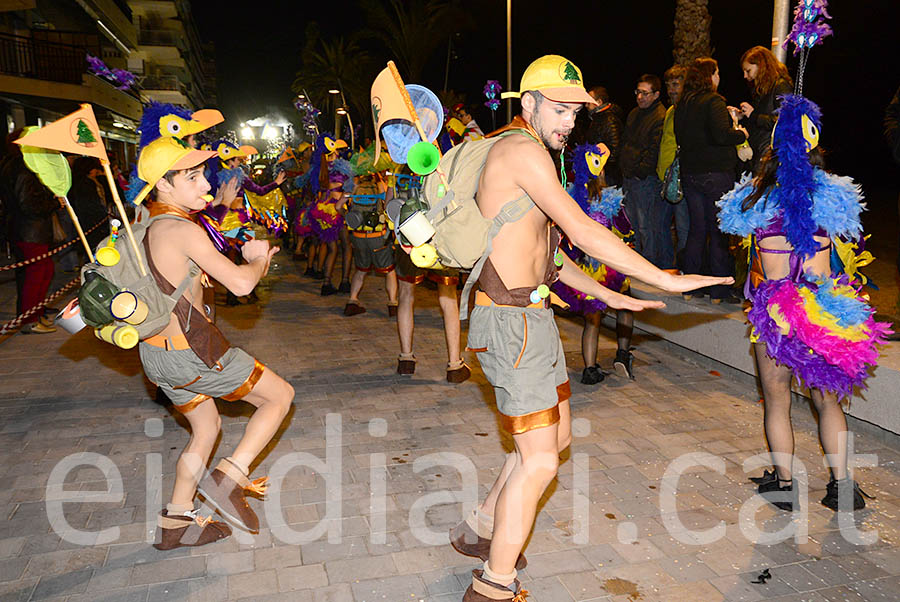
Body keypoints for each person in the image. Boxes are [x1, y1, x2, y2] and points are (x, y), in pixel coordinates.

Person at [448, 54, 733, 601]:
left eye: (575, 112)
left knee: (552, 441)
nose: (568, 122)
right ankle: (493, 585)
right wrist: (661, 279)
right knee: (538, 461)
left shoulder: (534, 156)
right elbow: (580, 227)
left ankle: (482, 527)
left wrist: (608, 293)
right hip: (511, 324)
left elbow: (549, 253)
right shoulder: (519, 151)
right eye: (558, 108)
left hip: (532, 319)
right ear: (526, 103)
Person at [718, 95, 889, 512]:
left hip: (774, 314)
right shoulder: (836, 198)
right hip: (824, 310)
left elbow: (736, 236)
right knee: (826, 399)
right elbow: (849, 248)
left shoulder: (752, 200)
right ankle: (842, 486)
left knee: (776, 399)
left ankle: (785, 485)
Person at [131, 136, 294, 549]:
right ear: (164, 185)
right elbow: (241, 284)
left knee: (207, 428)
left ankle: (175, 523)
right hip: (192, 355)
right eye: (193, 177)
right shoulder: (180, 229)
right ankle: (229, 479)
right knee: (279, 397)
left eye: (202, 174)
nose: (205, 185)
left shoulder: (143, 225)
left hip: (154, 355)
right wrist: (259, 256)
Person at [552, 144, 636, 384]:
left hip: (582, 268)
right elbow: (625, 228)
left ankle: (590, 367)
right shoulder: (608, 198)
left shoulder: (569, 198)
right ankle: (622, 353)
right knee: (625, 304)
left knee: (592, 318)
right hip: (609, 265)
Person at [674, 57, 748, 303]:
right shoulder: (714, 101)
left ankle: (691, 287)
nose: (718, 78)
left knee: (696, 230)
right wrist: (740, 133)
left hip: (691, 174)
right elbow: (721, 135)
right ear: (709, 76)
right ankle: (719, 290)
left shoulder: (682, 103)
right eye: (716, 73)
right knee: (718, 231)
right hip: (715, 175)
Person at [0, 129, 61, 334]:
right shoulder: (24, 168)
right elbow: (28, 204)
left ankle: (34, 313)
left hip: (24, 230)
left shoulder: (13, 165)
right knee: (38, 272)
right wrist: (53, 203)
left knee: (38, 272)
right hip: (30, 230)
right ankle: (30, 319)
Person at [620, 74, 666, 267]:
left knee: (647, 225)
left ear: (656, 94)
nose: (640, 97)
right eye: (638, 92)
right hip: (630, 176)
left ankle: (648, 265)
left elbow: (654, 151)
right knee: (633, 224)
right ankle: (636, 263)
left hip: (645, 179)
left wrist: (640, 171)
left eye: (645, 93)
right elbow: (626, 143)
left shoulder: (659, 116)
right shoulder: (634, 114)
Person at [343, 172, 399, 316]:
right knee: (389, 270)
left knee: (361, 270)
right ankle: (392, 304)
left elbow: (338, 206)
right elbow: (387, 206)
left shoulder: (354, 187)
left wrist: (348, 218)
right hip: (378, 237)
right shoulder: (380, 186)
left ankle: (352, 301)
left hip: (358, 236)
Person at [738, 46, 793, 174]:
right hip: (759, 152)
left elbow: (785, 122)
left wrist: (753, 115)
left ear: (761, 66)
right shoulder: (762, 88)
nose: (745, 76)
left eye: (748, 70)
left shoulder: (781, 86)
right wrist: (743, 115)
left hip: (770, 154)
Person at [656, 65, 690, 271]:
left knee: (684, 227)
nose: (671, 89)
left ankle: (685, 269)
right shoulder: (670, 110)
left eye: (676, 84)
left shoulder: (687, 109)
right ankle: (667, 267)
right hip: (665, 178)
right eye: (669, 85)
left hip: (681, 180)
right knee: (661, 226)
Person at [582, 86, 624, 186]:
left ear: (599, 102)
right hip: (597, 170)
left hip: (606, 175)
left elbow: (615, 150)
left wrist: (600, 167)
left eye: (589, 101)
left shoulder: (609, 120)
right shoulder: (597, 118)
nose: (586, 105)